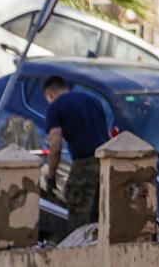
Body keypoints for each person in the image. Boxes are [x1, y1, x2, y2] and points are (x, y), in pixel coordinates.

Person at [40, 76, 112, 233]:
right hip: (106, 165)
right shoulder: (93, 101)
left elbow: (56, 144)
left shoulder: (56, 107)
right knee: (101, 217)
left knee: (78, 218)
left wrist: (51, 176)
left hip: (84, 167)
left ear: (49, 94)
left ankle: (77, 254)